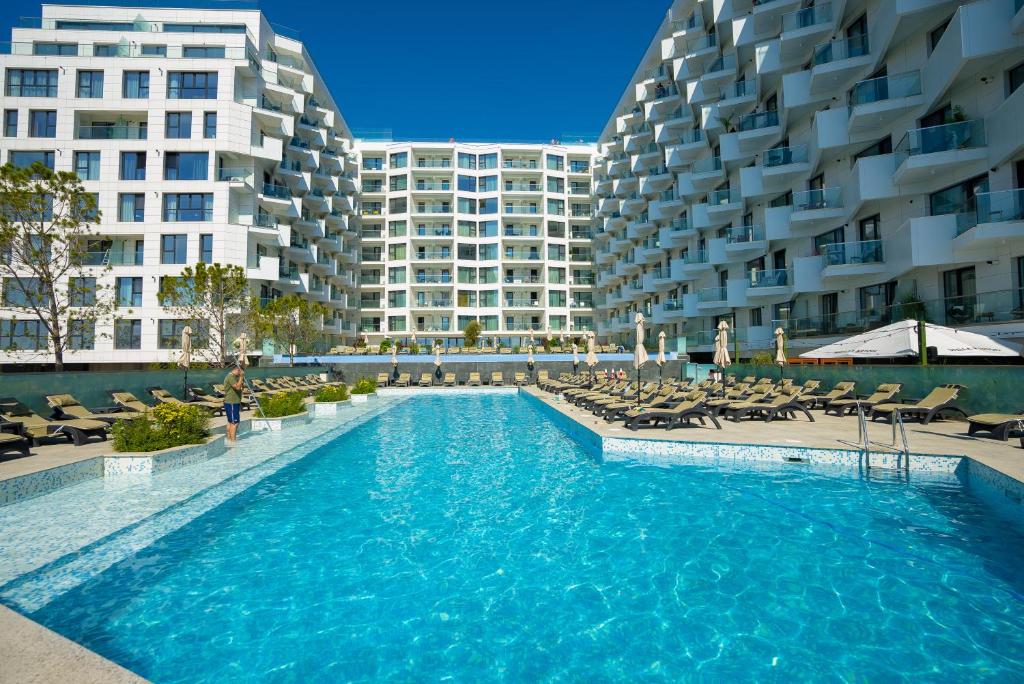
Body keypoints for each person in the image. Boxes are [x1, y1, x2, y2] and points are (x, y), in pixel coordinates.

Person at [223, 365, 244, 442]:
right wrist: (241, 377)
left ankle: (229, 439)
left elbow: (240, 387)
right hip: (232, 402)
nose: (240, 373)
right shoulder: (230, 377)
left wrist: (241, 380)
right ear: (237, 370)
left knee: (230, 422)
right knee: (235, 423)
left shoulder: (234, 377)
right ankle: (233, 442)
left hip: (233, 402)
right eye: (240, 371)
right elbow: (237, 388)